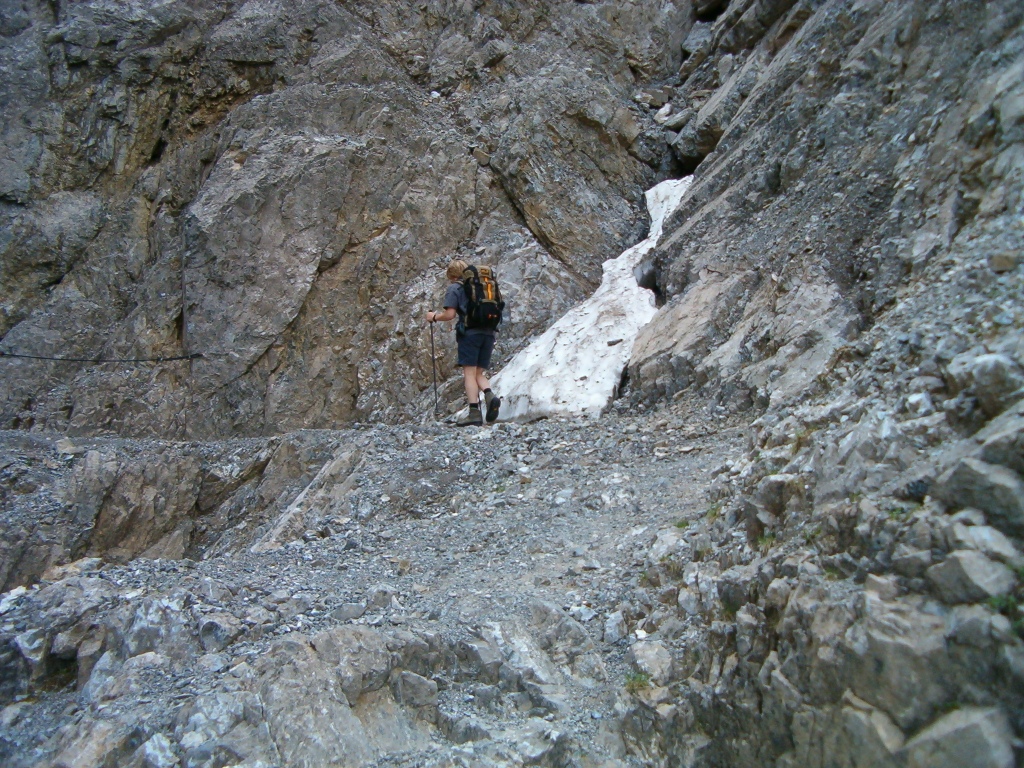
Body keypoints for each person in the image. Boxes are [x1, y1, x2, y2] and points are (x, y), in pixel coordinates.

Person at [426, 259, 501, 426]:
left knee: (469, 373)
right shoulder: (482, 286)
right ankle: (490, 395)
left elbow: (450, 315)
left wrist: (434, 317)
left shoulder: (455, 288)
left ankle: (474, 413)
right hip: (489, 332)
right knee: (478, 373)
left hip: (470, 334)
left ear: (452, 276)